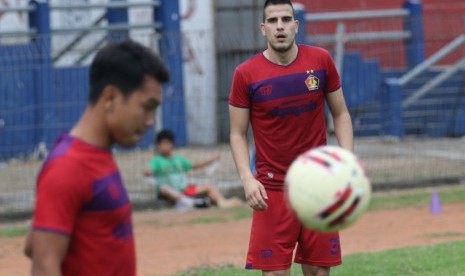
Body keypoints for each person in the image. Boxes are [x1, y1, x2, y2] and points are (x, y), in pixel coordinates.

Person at [23, 39, 170, 276]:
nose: (151, 121)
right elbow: (42, 263)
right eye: (147, 106)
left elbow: (33, 243)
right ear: (110, 97)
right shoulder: (69, 166)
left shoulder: (97, 156)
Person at [229, 0, 354, 275]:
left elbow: (341, 114)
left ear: (296, 26)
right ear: (263, 29)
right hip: (272, 190)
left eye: (286, 20)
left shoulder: (321, 61)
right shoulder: (245, 75)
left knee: (319, 272)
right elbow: (237, 133)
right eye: (272, 21)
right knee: (274, 272)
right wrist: (247, 179)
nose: (280, 26)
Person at [144, 129, 243, 210]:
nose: (164, 146)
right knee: (163, 189)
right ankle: (192, 203)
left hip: (183, 190)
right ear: (158, 145)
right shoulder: (157, 161)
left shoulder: (178, 160)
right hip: (169, 192)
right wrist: (149, 172)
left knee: (209, 187)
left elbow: (195, 166)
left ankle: (222, 202)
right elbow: (148, 170)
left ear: (172, 144)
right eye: (162, 144)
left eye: (167, 143)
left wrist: (211, 160)